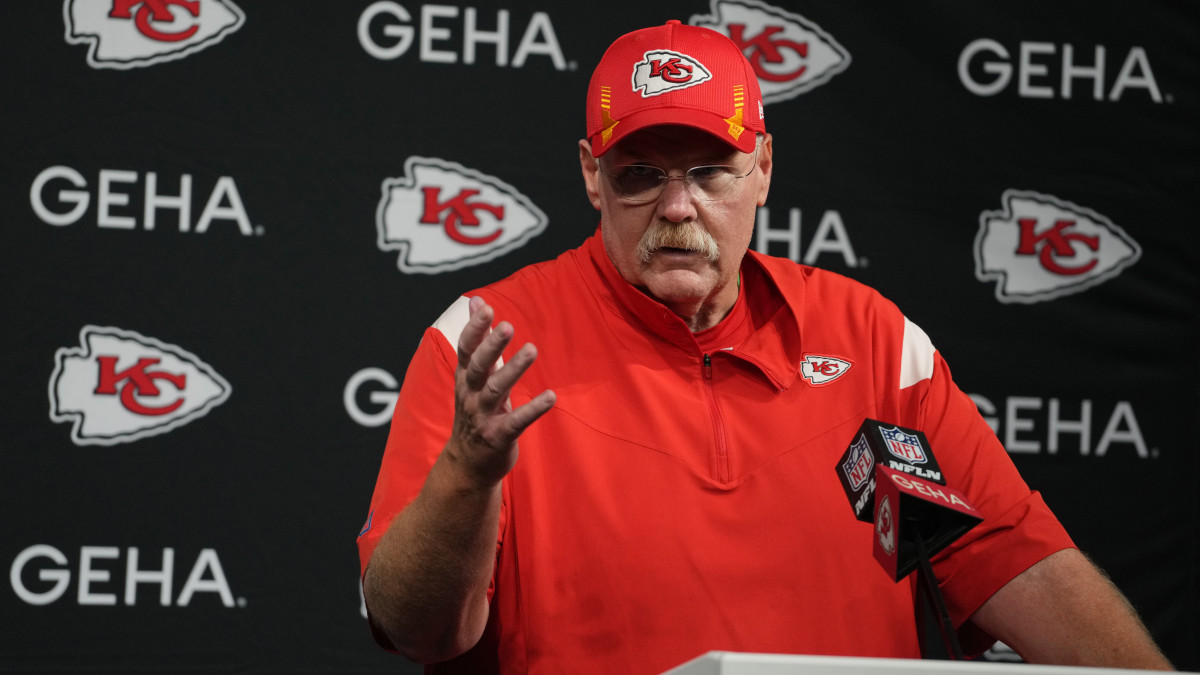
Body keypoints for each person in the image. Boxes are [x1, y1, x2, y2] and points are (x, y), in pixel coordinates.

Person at [357, 20, 1172, 674]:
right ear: (591, 176)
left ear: (765, 167)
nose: (678, 206)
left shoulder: (874, 343)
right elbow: (417, 627)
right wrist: (467, 474)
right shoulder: (486, 342)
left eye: (711, 171)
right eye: (641, 174)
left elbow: (1021, 565)